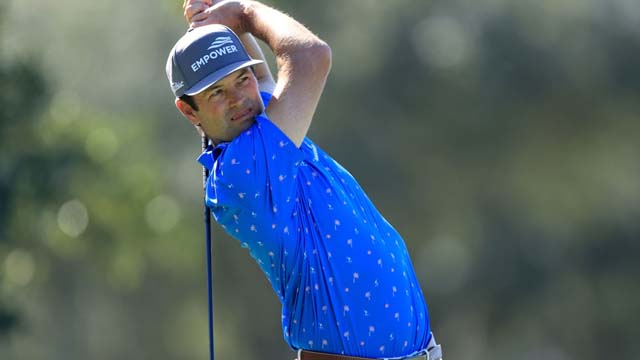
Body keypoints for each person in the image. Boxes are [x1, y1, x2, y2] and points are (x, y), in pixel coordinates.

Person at [166, 1, 443, 359]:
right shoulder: (242, 172)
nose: (239, 99)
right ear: (189, 110)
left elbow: (265, 84)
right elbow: (311, 57)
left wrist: (216, 19)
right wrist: (243, 12)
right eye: (216, 92)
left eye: (241, 79)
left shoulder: (261, 127)